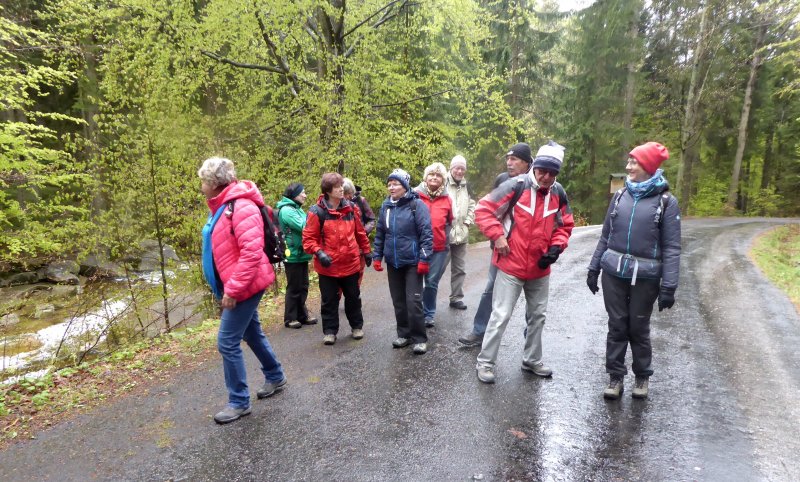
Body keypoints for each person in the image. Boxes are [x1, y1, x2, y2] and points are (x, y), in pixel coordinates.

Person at [473, 141, 574, 384]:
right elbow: (483, 210)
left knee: (537, 316)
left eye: (552, 173)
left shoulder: (558, 193)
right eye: (543, 171)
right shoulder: (515, 186)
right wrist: (497, 236)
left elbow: (565, 225)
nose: (547, 177)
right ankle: (485, 363)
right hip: (510, 264)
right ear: (535, 168)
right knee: (501, 315)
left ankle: (531, 360)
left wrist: (556, 247)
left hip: (540, 268)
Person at [587, 142, 681, 400]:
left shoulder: (666, 202)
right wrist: (594, 267)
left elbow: (672, 248)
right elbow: (606, 236)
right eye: (628, 161)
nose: (628, 166)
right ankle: (615, 377)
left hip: (646, 277)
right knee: (617, 325)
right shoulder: (620, 196)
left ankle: (642, 376)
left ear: (648, 167)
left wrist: (669, 286)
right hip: (613, 273)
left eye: (634, 162)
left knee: (638, 327)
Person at [198, 156, 286, 424]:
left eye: (203, 180)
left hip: (245, 283)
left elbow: (250, 253)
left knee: (227, 341)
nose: (201, 185)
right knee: (252, 332)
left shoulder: (241, 205)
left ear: (214, 182)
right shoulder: (222, 205)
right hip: (236, 282)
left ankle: (239, 401)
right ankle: (275, 375)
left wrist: (233, 290)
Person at [457, 144, 532, 347]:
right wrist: (495, 238)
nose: (509, 162)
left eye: (515, 159)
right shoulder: (502, 180)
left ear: (527, 162)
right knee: (490, 289)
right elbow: (492, 212)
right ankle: (479, 331)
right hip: (502, 250)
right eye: (508, 158)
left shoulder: (539, 181)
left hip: (529, 254)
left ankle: (531, 342)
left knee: (532, 300)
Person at [302, 172, 372, 345]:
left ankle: (357, 327)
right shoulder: (316, 211)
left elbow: (360, 232)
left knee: (353, 297)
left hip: (350, 263)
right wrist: (319, 252)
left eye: (341, 185)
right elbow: (308, 239)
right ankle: (330, 331)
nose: (341, 189)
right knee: (329, 301)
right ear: (327, 190)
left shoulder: (351, 208)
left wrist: (367, 250)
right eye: (337, 187)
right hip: (328, 266)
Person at [372, 168, 434, 354]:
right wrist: (377, 256)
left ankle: (419, 338)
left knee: (413, 300)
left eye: (395, 184)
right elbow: (381, 232)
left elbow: (426, 234)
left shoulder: (417, 205)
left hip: (413, 261)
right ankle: (404, 334)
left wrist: (424, 258)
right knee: (398, 300)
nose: (391, 187)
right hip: (393, 261)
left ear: (405, 186)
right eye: (389, 184)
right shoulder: (386, 206)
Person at [415, 162, 454, 328]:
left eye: (438, 175)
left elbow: (449, 221)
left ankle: (428, 313)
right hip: (416, 246)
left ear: (443, 179)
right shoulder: (414, 195)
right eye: (431, 174)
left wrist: (445, 240)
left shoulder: (447, 199)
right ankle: (415, 312)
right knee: (415, 282)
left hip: (438, 248)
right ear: (426, 177)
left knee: (431, 282)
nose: (434, 177)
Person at [276, 183, 318, 329]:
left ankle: (302, 315)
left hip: (300, 253)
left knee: (303, 285)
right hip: (292, 253)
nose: (305, 195)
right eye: (303, 193)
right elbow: (305, 226)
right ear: (294, 195)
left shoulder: (296, 209)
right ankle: (290, 318)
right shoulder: (287, 210)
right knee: (294, 286)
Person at [444, 155, 475, 311]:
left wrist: (468, 222)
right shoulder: (442, 183)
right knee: (436, 269)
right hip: (444, 234)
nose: (459, 171)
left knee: (460, 269)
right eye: (457, 167)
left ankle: (456, 298)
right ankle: (426, 301)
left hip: (461, 234)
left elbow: (472, 205)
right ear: (451, 168)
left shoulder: (467, 186)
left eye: (462, 168)